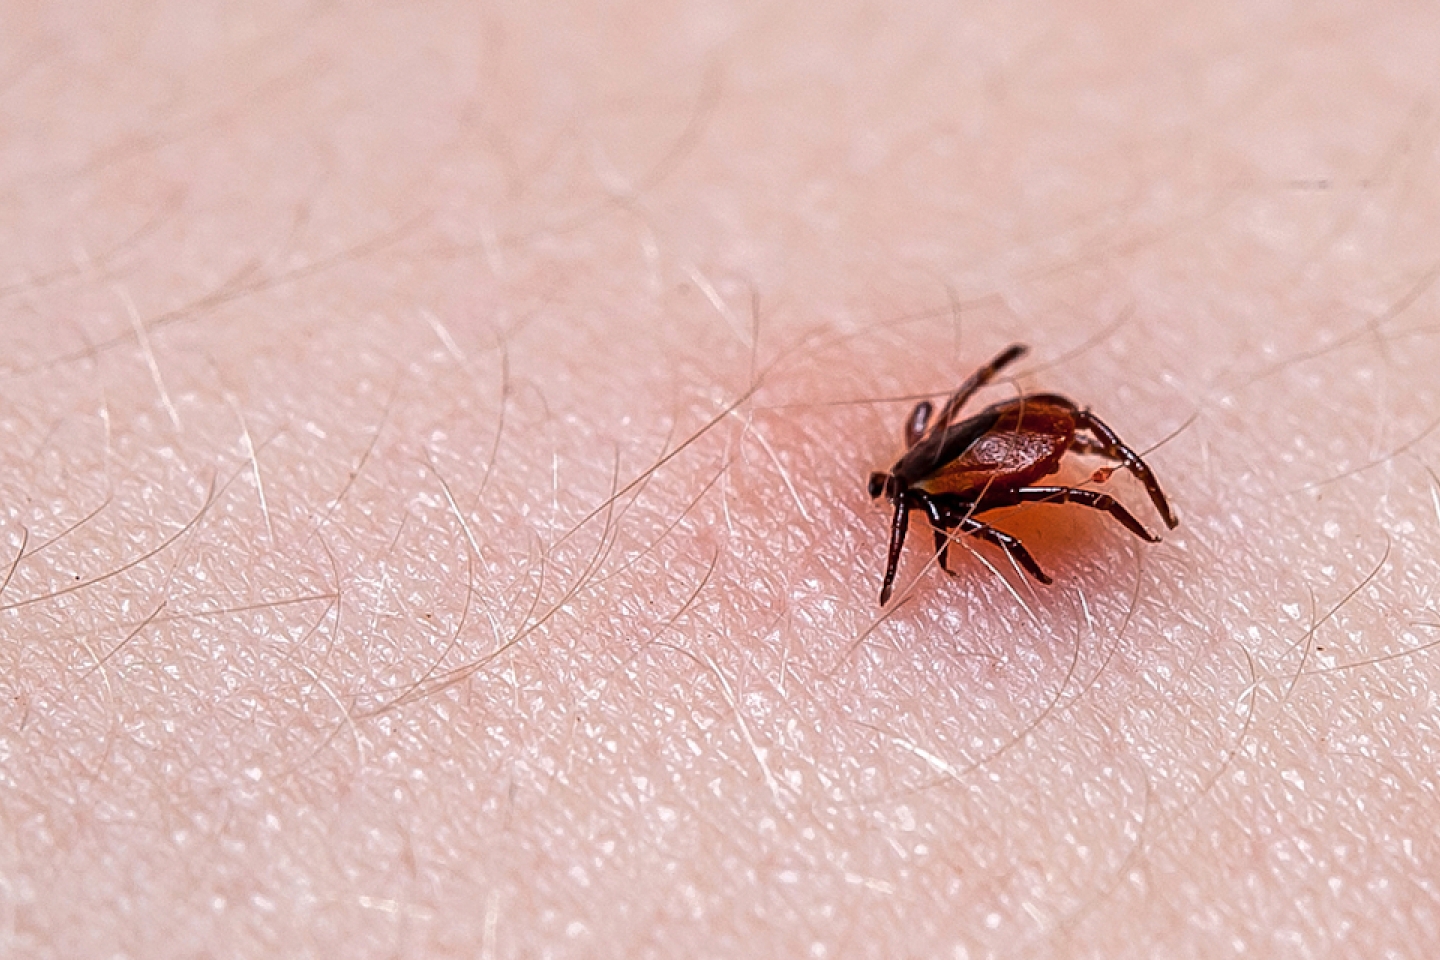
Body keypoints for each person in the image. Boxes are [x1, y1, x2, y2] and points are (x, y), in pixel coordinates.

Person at [4, 2, 1437, 955]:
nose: (915, 498)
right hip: (1000, 452)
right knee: (1065, 453)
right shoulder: (954, 488)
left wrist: (980, 535)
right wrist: (1016, 516)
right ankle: (1113, 501)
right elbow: (1008, 421)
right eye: (918, 494)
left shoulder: (943, 501)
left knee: (1062, 455)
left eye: (911, 486)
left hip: (997, 456)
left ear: (913, 475)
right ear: (922, 480)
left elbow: (992, 443)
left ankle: (1116, 502)